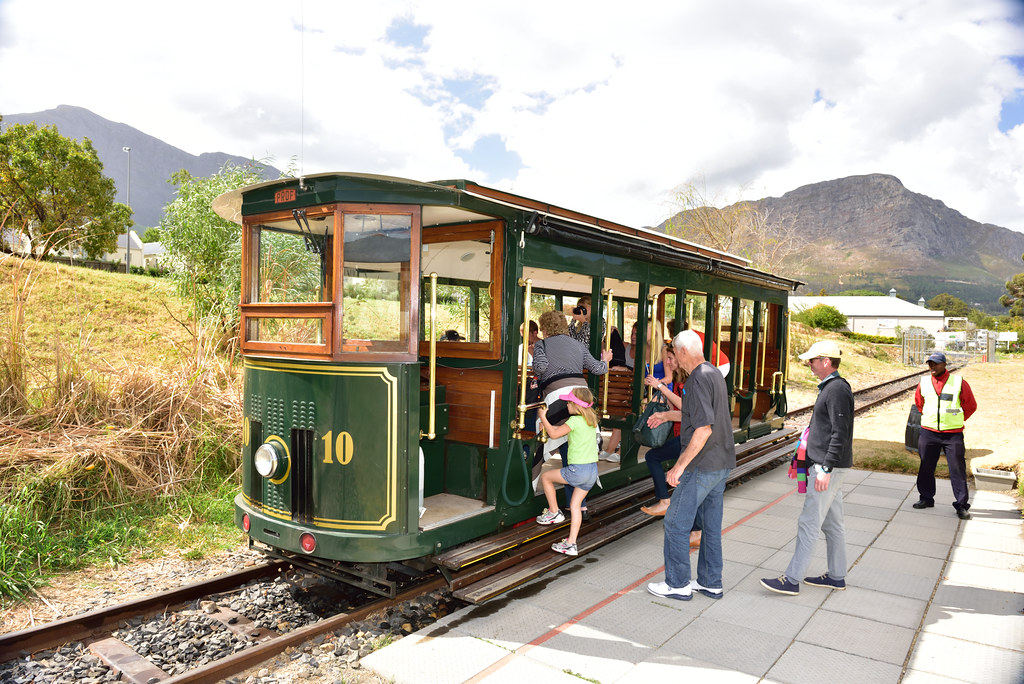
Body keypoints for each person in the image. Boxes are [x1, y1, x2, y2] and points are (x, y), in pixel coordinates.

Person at [647, 330, 735, 602]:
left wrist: (679, 467)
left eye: (674, 353)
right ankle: (710, 582)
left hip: (702, 464)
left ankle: (677, 583)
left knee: (675, 521)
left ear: (683, 351)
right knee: (710, 526)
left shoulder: (696, 379)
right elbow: (696, 413)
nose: (674, 360)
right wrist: (666, 415)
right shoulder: (713, 374)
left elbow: (703, 429)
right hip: (721, 462)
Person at [760, 339, 854, 596]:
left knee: (809, 523)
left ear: (826, 362)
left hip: (827, 468)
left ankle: (791, 579)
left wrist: (825, 468)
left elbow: (840, 432)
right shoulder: (831, 387)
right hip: (830, 466)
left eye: (812, 360)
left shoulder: (835, 390)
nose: (809, 364)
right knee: (833, 525)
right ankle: (836, 576)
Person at [533, 310, 612, 515]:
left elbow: (540, 367)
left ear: (545, 328)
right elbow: (598, 368)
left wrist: (535, 355)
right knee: (577, 446)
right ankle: (579, 505)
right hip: (581, 396)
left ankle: (555, 499)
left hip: (559, 398)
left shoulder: (542, 344)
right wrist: (607, 360)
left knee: (557, 443)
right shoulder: (577, 345)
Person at [535, 387, 601, 556]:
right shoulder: (591, 420)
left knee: (546, 477)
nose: (567, 405)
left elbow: (555, 434)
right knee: (575, 506)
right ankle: (571, 544)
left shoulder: (574, 420)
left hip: (578, 470)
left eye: (569, 402)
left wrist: (543, 417)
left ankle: (554, 512)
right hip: (591, 471)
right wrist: (547, 426)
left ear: (576, 405)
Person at [912, 351, 977, 520]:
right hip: (929, 432)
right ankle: (926, 498)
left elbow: (970, 405)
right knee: (926, 466)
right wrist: (932, 420)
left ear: (944, 364)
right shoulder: (924, 382)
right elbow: (920, 404)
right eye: (930, 364)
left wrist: (956, 419)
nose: (932, 366)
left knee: (957, 469)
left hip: (953, 434)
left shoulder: (958, 382)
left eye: (936, 363)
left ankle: (961, 505)